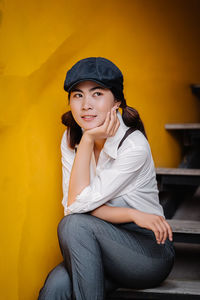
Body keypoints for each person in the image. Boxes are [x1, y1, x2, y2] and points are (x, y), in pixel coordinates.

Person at [38, 57, 175, 300]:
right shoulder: (71, 137)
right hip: (96, 241)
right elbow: (75, 206)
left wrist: (88, 139)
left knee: (73, 226)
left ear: (117, 102)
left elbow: (75, 210)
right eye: (77, 95)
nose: (86, 105)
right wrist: (89, 140)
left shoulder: (133, 146)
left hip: (148, 251)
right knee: (56, 286)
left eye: (97, 94)